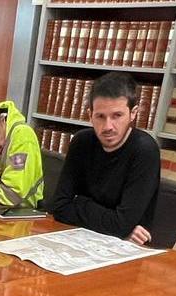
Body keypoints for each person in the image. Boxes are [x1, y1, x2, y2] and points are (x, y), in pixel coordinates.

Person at [47, 72, 161, 244]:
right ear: (89, 115)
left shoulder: (144, 150)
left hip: (126, 248)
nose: (108, 126)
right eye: (100, 116)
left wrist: (79, 202)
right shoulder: (81, 142)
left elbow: (121, 225)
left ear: (133, 113)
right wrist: (117, 226)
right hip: (80, 238)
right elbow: (60, 207)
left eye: (117, 115)